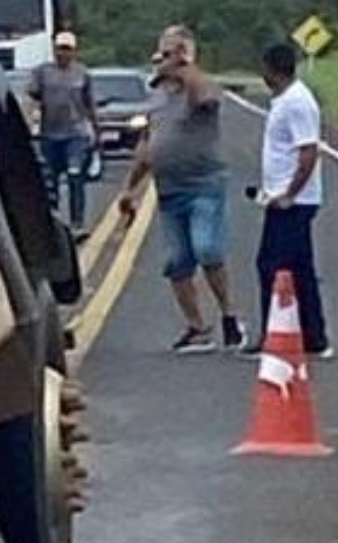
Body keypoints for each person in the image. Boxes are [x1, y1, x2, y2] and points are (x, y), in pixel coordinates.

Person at [118, 26, 244, 355]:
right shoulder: (158, 97)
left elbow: (208, 99)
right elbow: (149, 146)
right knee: (177, 261)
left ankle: (230, 315)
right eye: (161, 55)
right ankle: (196, 327)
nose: (162, 62)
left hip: (204, 183)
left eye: (169, 54)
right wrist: (131, 188)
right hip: (170, 188)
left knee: (207, 248)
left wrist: (185, 68)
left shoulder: (198, 87)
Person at [252, 43, 331, 358]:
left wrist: (290, 194)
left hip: (294, 202)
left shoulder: (297, 103)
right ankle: (313, 337)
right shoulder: (284, 100)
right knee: (299, 268)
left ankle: (276, 334)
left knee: (272, 265)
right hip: (282, 198)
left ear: (272, 69)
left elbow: (308, 151)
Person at [28, 31, 97, 234]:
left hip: (76, 134)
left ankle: (78, 223)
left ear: (74, 51)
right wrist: (28, 119)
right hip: (50, 134)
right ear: (54, 49)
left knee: (75, 175)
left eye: (67, 49)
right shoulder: (42, 72)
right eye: (60, 49)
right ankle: (53, 224)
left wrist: (96, 131)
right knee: (51, 180)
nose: (63, 53)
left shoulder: (82, 73)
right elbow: (31, 97)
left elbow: (90, 104)